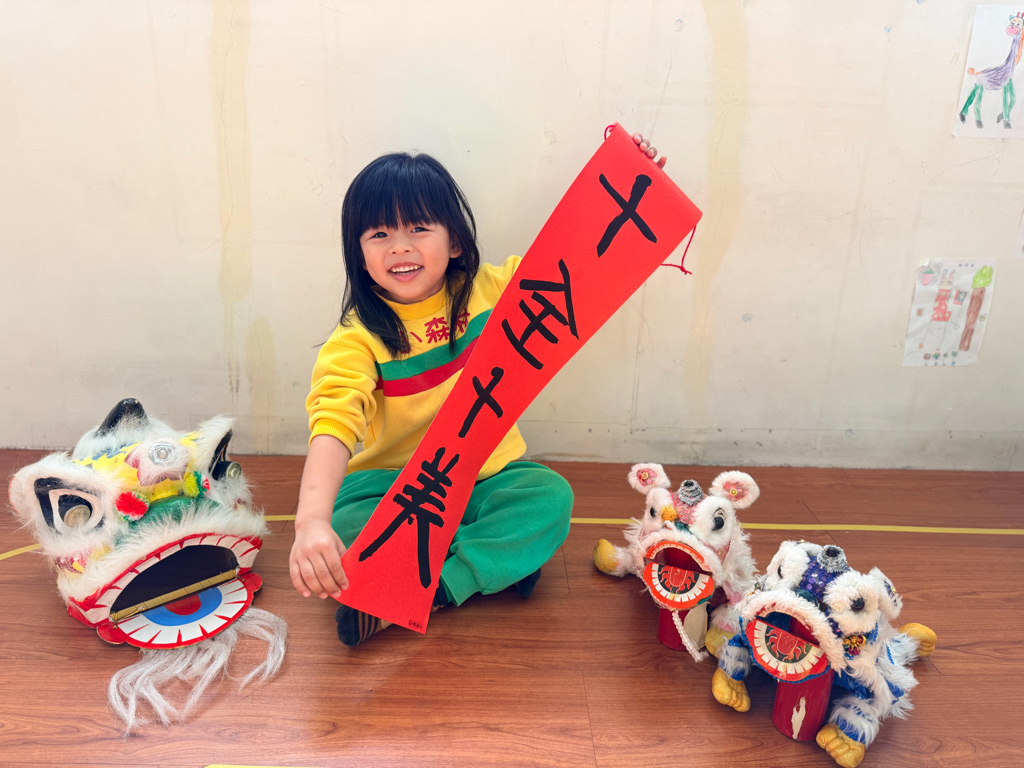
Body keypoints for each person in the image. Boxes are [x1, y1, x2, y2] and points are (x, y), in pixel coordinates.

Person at [289, 133, 666, 646]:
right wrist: (310, 523)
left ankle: (442, 585)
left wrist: (634, 181)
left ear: (455, 243)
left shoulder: (494, 291)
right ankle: (497, 563)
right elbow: (333, 427)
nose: (399, 246)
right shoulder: (357, 338)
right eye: (378, 234)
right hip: (397, 489)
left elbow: (577, 261)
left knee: (549, 497)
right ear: (359, 253)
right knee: (347, 522)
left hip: (485, 479)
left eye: (418, 228)